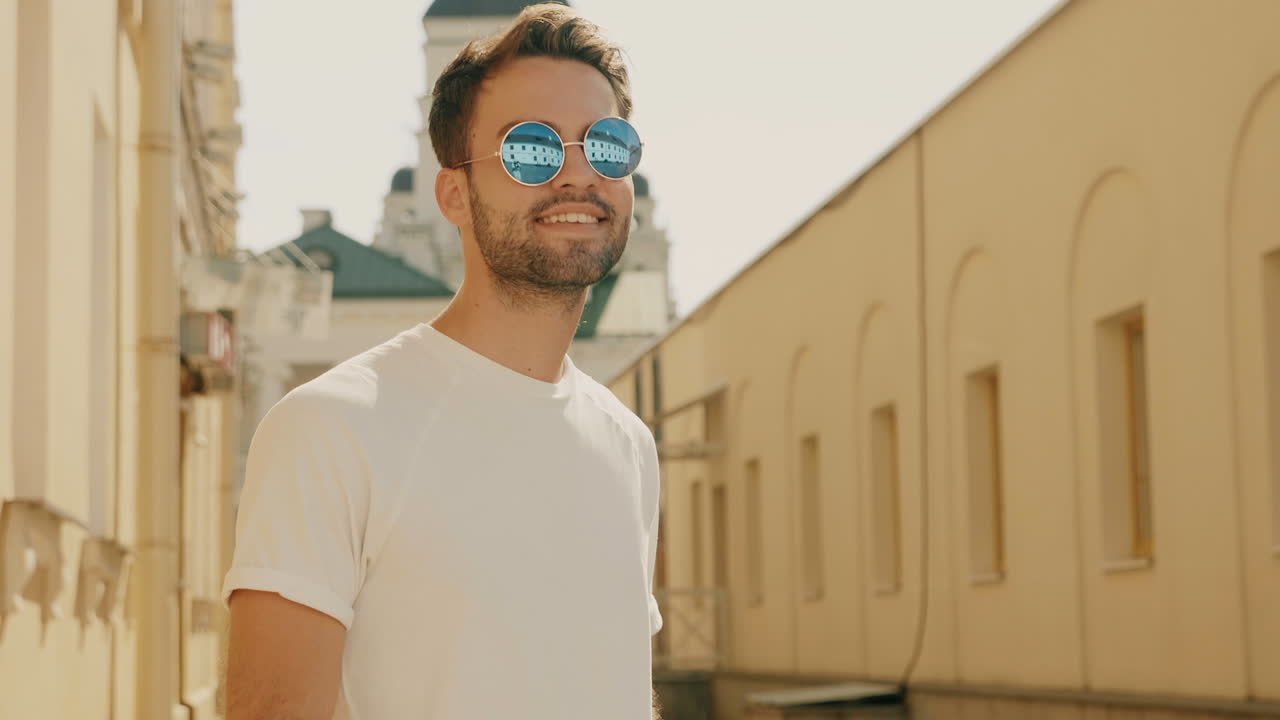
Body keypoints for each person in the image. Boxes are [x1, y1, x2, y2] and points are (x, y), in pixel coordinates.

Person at [221, 5, 663, 719]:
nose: (577, 174)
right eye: (532, 148)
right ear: (454, 193)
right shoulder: (331, 429)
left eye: (606, 144)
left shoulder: (629, 447)